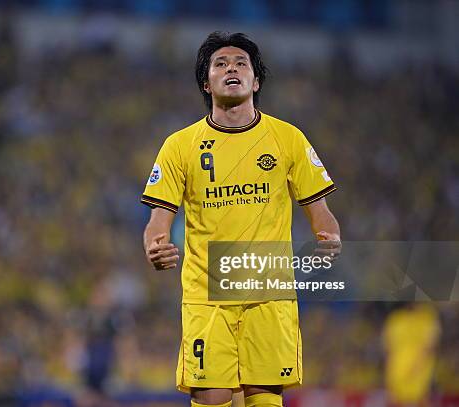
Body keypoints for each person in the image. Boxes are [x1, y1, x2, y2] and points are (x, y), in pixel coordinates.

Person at [140, 32, 341, 407]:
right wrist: (155, 244)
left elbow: (322, 212)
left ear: (256, 80)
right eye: (220, 63)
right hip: (207, 297)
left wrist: (327, 236)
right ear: (207, 81)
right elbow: (158, 218)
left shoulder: (288, 138)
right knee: (211, 397)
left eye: (241, 63)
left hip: (269, 296)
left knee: (264, 400)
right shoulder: (179, 145)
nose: (231, 67)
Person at [383, 303, 440, 407]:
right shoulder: (395, 318)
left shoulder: (427, 317)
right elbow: (389, 348)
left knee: (421, 398)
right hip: (397, 368)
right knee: (396, 399)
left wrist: (418, 364)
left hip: (421, 367)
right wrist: (389, 369)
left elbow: (431, 345)